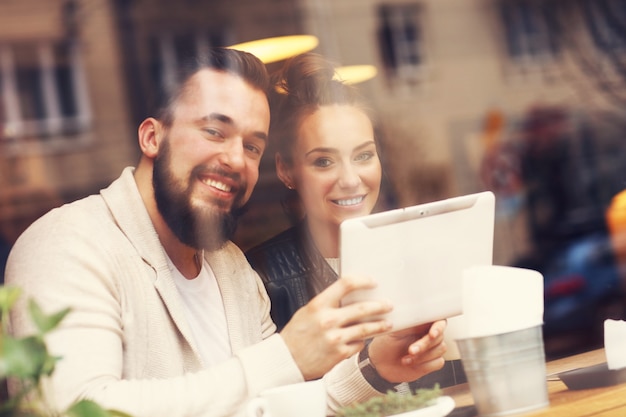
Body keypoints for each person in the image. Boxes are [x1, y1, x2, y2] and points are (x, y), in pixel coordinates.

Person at [5, 48, 447, 417]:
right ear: (152, 138)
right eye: (215, 131)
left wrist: (375, 368)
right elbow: (81, 408)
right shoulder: (66, 243)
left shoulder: (231, 267)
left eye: (252, 145)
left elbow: (276, 405)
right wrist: (284, 357)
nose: (236, 159)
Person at [246, 52, 465, 389]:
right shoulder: (260, 278)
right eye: (323, 162)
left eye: (363, 155)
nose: (350, 179)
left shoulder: (423, 254)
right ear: (286, 169)